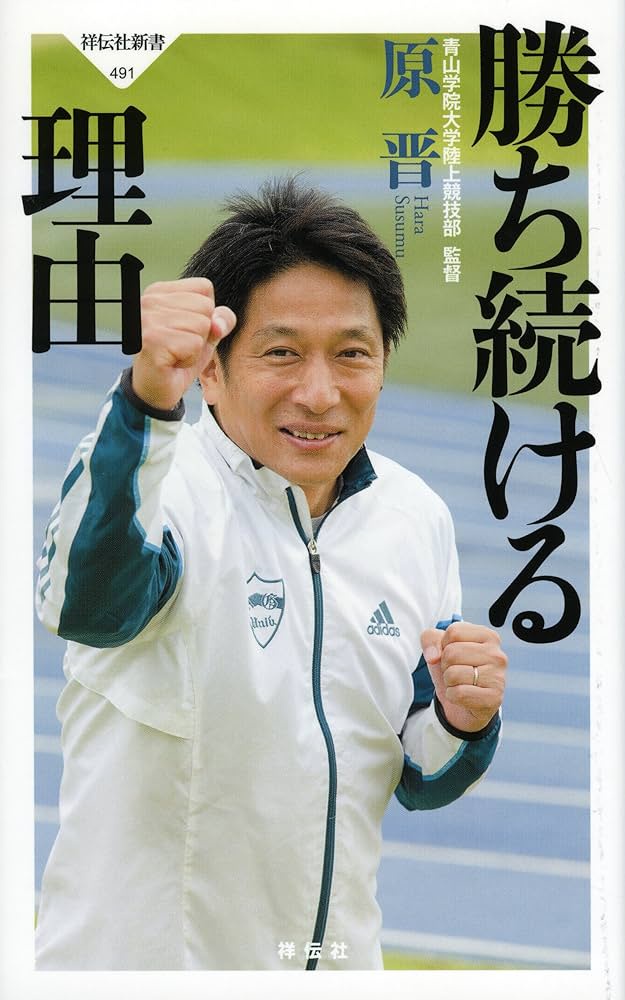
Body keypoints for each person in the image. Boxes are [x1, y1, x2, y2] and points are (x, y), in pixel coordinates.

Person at [35, 177, 507, 971]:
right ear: (211, 369)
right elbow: (84, 606)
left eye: (351, 353)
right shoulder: (165, 487)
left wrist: (463, 718)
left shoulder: (413, 517)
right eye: (281, 353)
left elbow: (416, 771)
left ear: (383, 362)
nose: (319, 394)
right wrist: (146, 398)